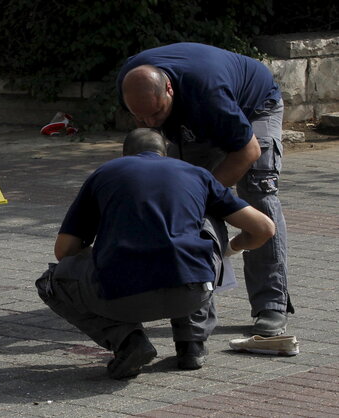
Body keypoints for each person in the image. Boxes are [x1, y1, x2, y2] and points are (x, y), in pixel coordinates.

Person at [36, 128, 275, 379]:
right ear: (166, 152)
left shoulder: (104, 174)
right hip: (192, 291)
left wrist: (96, 253)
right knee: (204, 222)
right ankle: (191, 344)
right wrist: (230, 248)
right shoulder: (198, 175)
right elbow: (265, 228)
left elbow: (64, 251)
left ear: (125, 154)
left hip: (119, 298)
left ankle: (128, 341)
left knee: (51, 281)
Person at [116, 42, 292, 337]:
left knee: (258, 193)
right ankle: (181, 289)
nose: (149, 124)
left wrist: (204, 195)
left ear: (169, 90)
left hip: (255, 106)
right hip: (196, 115)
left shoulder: (208, 92)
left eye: (156, 115)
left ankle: (271, 304)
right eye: (140, 117)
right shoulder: (131, 83)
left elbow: (246, 152)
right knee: (179, 200)